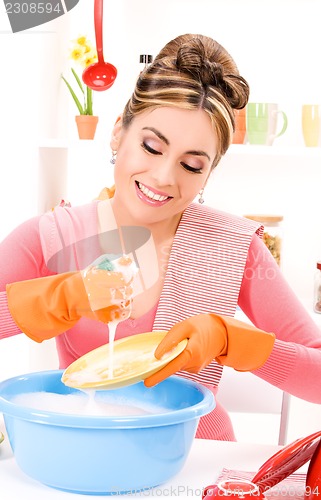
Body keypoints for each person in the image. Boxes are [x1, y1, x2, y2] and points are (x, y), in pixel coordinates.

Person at [1, 33, 321, 441]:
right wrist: (55, 298)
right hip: (86, 449)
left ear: (209, 174)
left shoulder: (234, 246)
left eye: (191, 165)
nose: (163, 178)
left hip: (198, 457)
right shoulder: (54, 237)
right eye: (152, 146)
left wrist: (233, 342)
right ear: (119, 133)